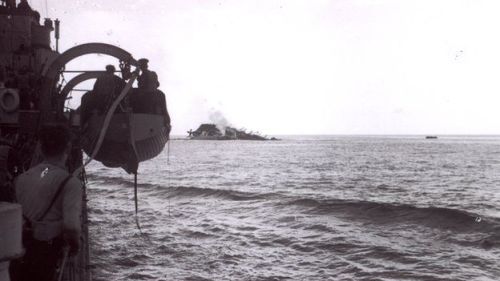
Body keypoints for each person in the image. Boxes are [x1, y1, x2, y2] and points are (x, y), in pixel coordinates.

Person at [12, 125, 82, 281]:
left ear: (41, 149)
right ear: (68, 148)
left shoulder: (22, 179)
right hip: (47, 254)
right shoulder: (71, 183)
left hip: (21, 250)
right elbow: (71, 226)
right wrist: (75, 246)